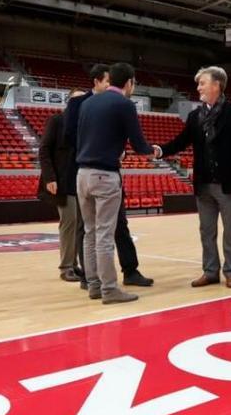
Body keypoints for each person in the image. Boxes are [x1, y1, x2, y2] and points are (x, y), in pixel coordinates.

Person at [155, 67, 231, 289]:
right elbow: (181, 141)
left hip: (228, 182)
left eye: (202, 83)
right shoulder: (195, 116)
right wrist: (160, 151)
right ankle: (210, 271)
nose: (198, 88)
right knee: (207, 230)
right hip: (203, 183)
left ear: (217, 85)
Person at [64, 64, 154, 292]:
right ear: (129, 82)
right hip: (105, 174)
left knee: (90, 234)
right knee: (105, 234)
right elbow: (138, 144)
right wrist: (153, 150)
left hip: (82, 174)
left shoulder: (86, 103)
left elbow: (78, 138)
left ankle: (93, 284)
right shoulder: (124, 104)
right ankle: (109, 289)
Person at [37, 87, 87, 282]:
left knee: (80, 225)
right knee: (69, 223)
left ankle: (75, 264)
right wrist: (50, 178)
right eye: (76, 100)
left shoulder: (84, 125)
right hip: (62, 182)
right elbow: (44, 150)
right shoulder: (57, 121)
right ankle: (66, 267)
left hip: (81, 181)